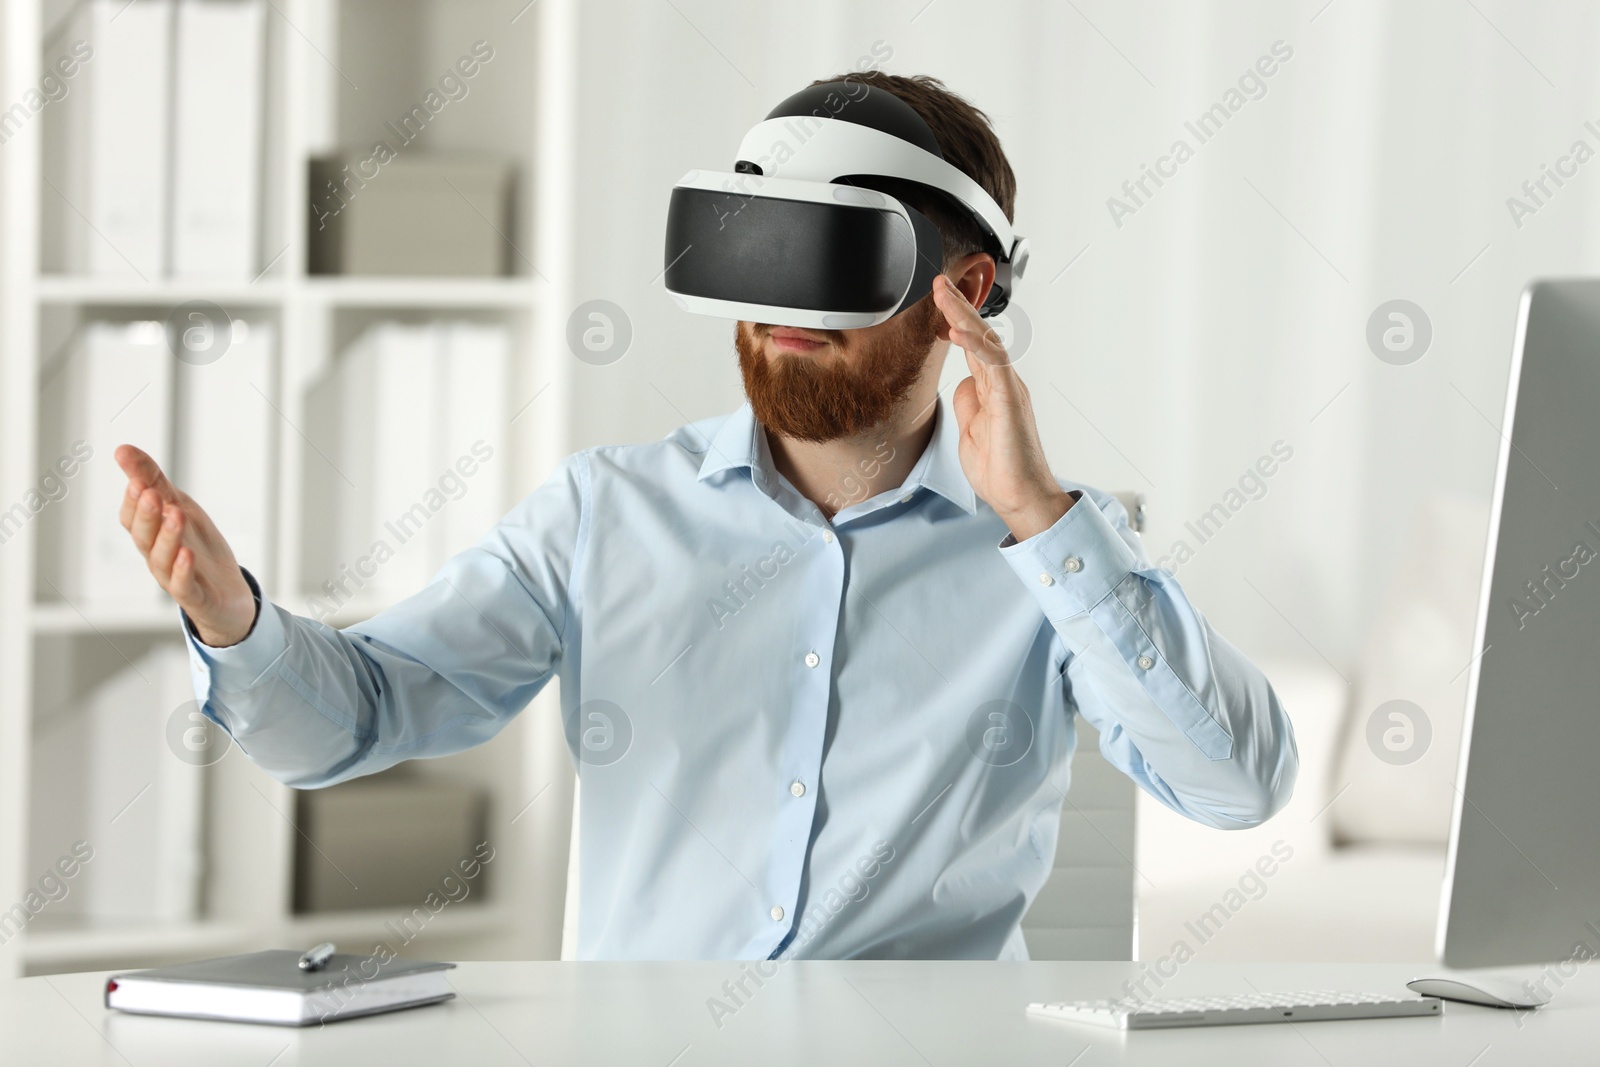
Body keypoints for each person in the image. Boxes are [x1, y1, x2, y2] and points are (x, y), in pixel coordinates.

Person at [114, 72, 1297, 961]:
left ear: (965, 293)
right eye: (756, 247)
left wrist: (1044, 522)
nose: (778, 308)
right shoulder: (603, 515)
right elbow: (355, 719)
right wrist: (236, 623)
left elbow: (1238, 786)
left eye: (826, 254)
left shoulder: (1057, 560)